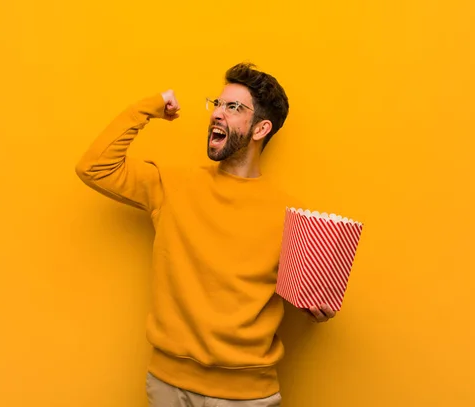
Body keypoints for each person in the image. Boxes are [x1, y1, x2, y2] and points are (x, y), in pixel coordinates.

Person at [75, 63, 336, 407]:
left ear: (261, 128)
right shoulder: (171, 186)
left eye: (233, 107)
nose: (217, 113)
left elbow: (308, 295)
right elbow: (94, 167)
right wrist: (148, 107)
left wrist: (318, 306)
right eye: (217, 103)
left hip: (245, 397)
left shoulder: (292, 217)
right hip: (167, 385)